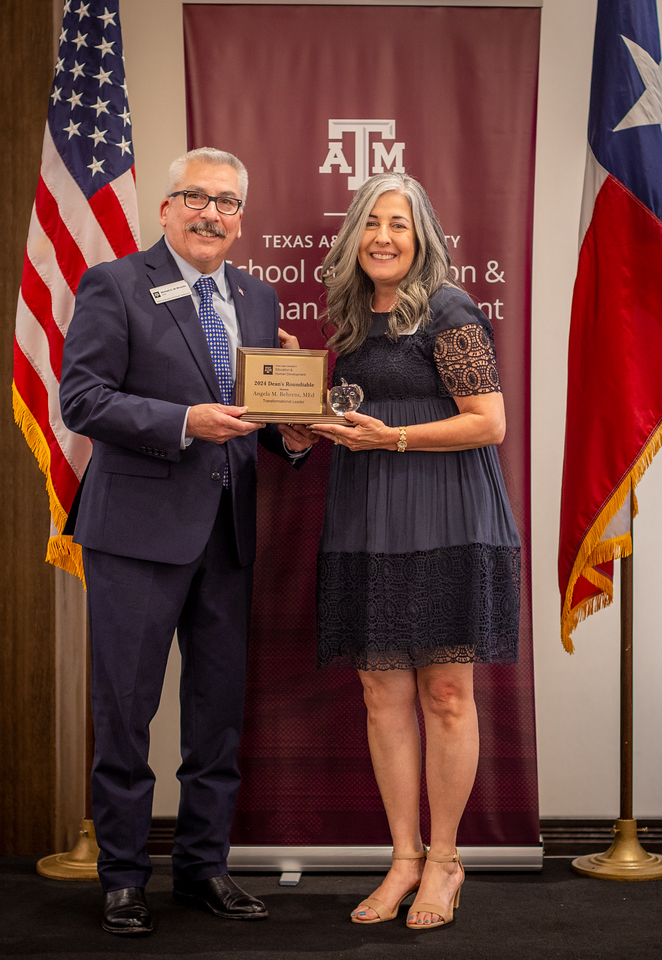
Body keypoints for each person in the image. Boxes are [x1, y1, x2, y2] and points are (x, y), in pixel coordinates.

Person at [59, 147, 315, 936]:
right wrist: (182, 423)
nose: (212, 213)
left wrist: (296, 438)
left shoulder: (258, 297)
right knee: (126, 713)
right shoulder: (115, 285)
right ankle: (124, 878)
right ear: (166, 209)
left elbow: (257, 417)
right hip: (135, 537)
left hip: (227, 536)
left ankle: (204, 869)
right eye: (197, 198)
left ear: (242, 219)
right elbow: (83, 399)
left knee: (216, 718)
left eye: (228, 202)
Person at [309, 173, 520, 931]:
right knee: (381, 695)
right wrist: (310, 428)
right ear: (353, 237)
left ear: (421, 233)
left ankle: (445, 861)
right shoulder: (353, 319)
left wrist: (392, 437)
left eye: (398, 223)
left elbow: (488, 422)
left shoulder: (450, 308)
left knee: (445, 695)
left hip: (448, 518)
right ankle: (402, 858)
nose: (384, 238)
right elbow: (356, 416)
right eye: (371, 224)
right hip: (370, 522)